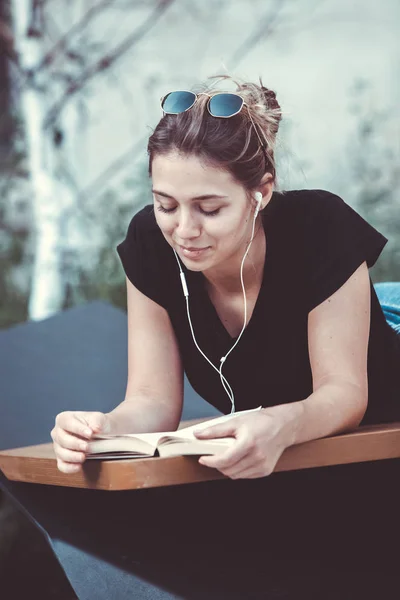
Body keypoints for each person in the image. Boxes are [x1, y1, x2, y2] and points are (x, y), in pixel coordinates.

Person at [51, 75, 400, 478]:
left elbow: (344, 394)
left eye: (210, 209)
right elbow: (152, 400)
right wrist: (101, 429)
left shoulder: (320, 227)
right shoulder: (150, 242)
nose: (184, 230)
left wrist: (276, 425)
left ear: (262, 192)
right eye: (165, 205)